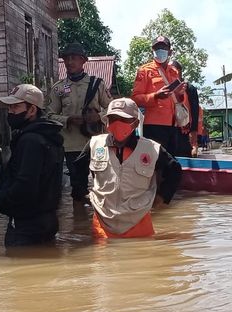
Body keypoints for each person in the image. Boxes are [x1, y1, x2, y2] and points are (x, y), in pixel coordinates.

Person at [74, 98, 182, 239]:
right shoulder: (95, 144)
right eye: (113, 119)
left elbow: (174, 170)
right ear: (107, 122)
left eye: (123, 119)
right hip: (102, 223)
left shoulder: (151, 148)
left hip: (139, 222)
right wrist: (82, 195)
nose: (117, 123)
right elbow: (78, 169)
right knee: (101, 259)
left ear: (135, 123)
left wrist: (162, 197)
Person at [0, 85, 65, 247]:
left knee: (18, 265)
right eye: (9, 107)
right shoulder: (51, 138)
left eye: (16, 107)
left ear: (32, 110)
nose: (11, 112)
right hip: (48, 220)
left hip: (27, 224)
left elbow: (25, 185)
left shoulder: (30, 141)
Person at [46, 43, 113, 204]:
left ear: (83, 61)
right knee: (77, 189)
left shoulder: (98, 84)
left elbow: (112, 108)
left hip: (97, 143)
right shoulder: (58, 88)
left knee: (103, 184)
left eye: (74, 58)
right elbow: (48, 115)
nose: (70, 62)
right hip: (71, 145)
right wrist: (68, 119)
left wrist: (100, 117)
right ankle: (79, 222)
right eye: (67, 58)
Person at [131, 35, 188, 157]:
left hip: (173, 126)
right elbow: (135, 98)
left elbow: (177, 99)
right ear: (152, 51)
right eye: (157, 48)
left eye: (163, 48)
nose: (160, 51)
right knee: (154, 165)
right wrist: (155, 96)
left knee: (171, 165)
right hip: (153, 126)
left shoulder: (174, 71)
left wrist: (179, 94)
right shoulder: (144, 71)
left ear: (170, 52)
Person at [169, 60, 199, 157]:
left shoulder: (189, 88)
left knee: (184, 156)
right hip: (168, 128)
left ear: (179, 71)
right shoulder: (166, 88)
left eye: (173, 70)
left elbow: (195, 110)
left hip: (184, 129)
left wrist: (193, 131)